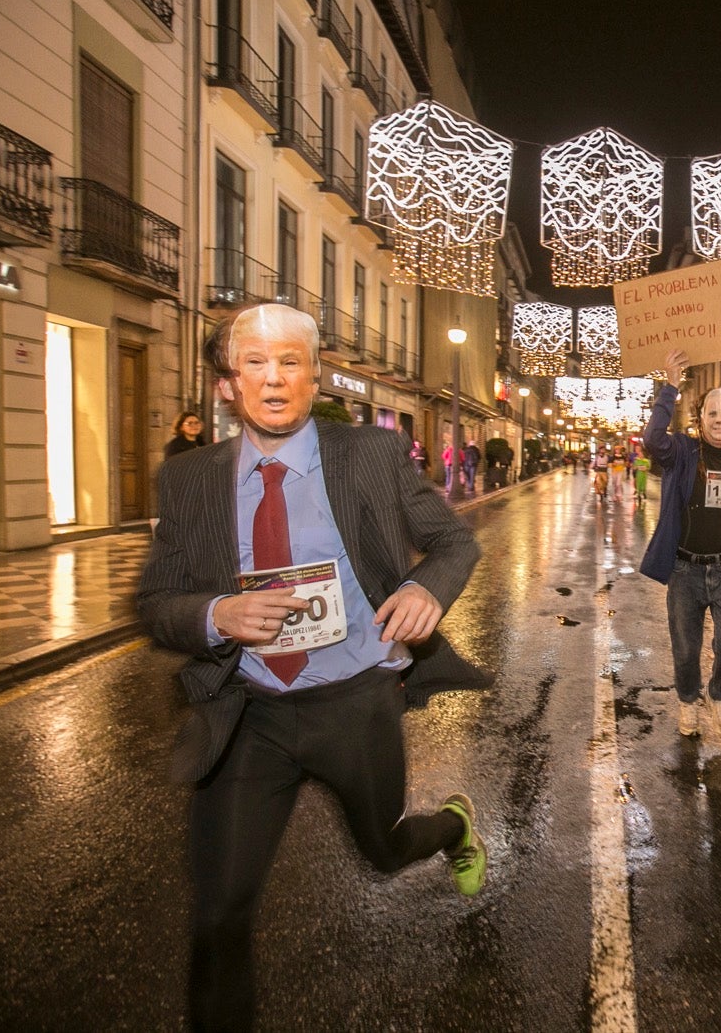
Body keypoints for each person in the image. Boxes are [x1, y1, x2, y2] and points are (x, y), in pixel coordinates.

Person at [137, 304, 488, 1030]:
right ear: (228, 384)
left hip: (356, 704)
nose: (273, 379)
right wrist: (214, 615)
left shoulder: (371, 455)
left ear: (314, 374)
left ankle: (452, 829)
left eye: (289, 362)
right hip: (250, 712)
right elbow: (153, 601)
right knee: (219, 909)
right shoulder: (188, 479)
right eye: (255, 363)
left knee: (384, 851)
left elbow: (453, 541)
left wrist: (426, 588)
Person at [642, 348, 721, 739]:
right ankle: (687, 701)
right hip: (685, 569)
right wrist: (670, 388)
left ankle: (718, 694)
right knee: (685, 650)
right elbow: (651, 440)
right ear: (701, 420)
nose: (718, 420)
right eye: (711, 413)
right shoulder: (681, 451)